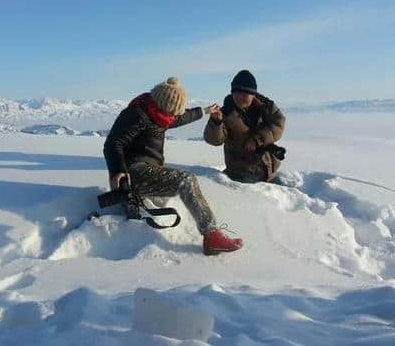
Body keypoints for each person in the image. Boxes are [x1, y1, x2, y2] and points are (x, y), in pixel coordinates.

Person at [103, 77, 243, 255]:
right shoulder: (137, 114)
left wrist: (204, 111)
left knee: (181, 179)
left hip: (146, 169)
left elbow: (180, 118)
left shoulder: (158, 113)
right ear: (164, 104)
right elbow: (113, 143)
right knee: (186, 179)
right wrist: (119, 171)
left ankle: (211, 234)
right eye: (173, 112)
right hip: (133, 173)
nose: (174, 117)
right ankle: (212, 235)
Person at [203, 70, 286, 183]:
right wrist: (216, 122)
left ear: (253, 94)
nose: (239, 97)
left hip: (268, 170)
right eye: (236, 92)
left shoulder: (265, 106)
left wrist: (257, 140)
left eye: (244, 93)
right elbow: (214, 140)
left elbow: (279, 122)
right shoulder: (226, 113)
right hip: (241, 175)